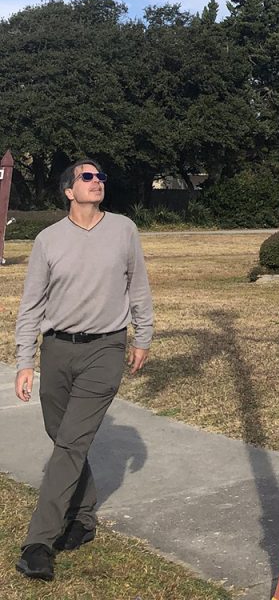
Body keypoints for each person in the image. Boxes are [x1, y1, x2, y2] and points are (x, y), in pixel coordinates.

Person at [13, 158, 154, 582]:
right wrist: (25, 361)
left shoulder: (124, 230)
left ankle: (38, 542)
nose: (97, 182)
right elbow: (32, 304)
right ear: (68, 191)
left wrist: (142, 336)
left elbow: (138, 286)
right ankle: (84, 515)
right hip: (56, 349)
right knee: (63, 438)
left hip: (105, 350)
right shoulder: (48, 240)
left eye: (100, 177)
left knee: (70, 444)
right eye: (87, 177)